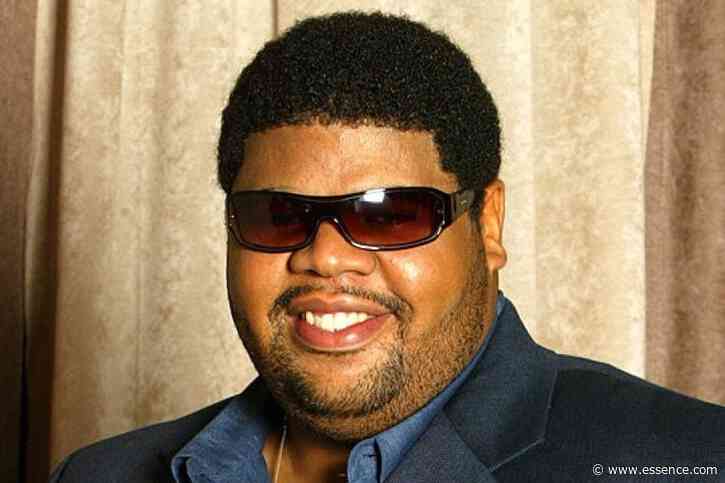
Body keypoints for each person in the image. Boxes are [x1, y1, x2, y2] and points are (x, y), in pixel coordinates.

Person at [49, 11, 724, 483]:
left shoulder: (689, 460)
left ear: (488, 225)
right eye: (278, 216)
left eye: (390, 214)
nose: (326, 256)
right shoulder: (100, 475)